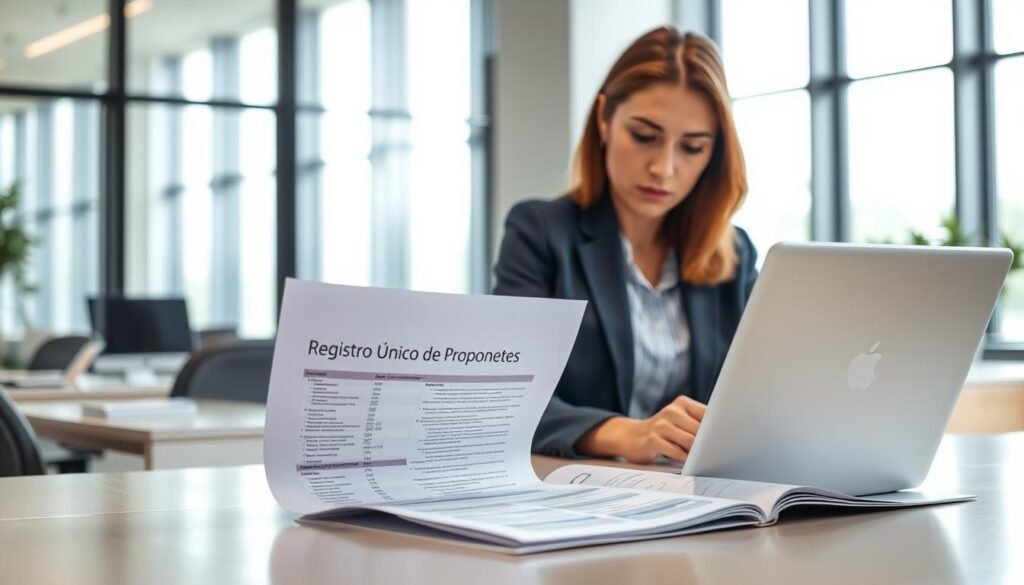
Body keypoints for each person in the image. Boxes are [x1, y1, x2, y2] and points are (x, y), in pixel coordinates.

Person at [493, 27, 757, 464]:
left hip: (697, 497)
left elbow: (759, 396)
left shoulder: (735, 255)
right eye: (644, 136)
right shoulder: (539, 232)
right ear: (604, 120)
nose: (663, 168)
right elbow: (505, 395)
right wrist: (625, 434)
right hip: (576, 492)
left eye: (692, 147)